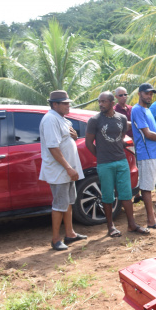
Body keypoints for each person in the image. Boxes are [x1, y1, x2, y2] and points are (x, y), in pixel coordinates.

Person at [85, 92, 149, 237]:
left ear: (111, 102)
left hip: (121, 161)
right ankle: (110, 227)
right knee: (107, 196)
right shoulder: (94, 120)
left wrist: (115, 152)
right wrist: (101, 155)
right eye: (99, 101)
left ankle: (131, 225)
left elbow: (120, 137)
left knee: (126, 194)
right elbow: (89, 142)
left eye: (104, 101)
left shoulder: (121, 118)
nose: (101, 104)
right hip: (105, 163)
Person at [39, 90, 87, 251]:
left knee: (68, 202)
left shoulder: (61, 119)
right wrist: (67, 167)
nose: (68, 106)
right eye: (64, 103)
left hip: (67, 169)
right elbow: (53, 147)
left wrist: (73, 137)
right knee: (59, 204)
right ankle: (55, 239)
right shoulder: (50, 120)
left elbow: (66, 139)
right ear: (55, 104)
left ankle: (70, 233)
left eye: (68, 103)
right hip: (60, 170)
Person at [131, 83, 156, 230]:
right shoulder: (137, 110)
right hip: (146, 153)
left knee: (150, 185)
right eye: (147, 93)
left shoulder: (146, 110)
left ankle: (152, 214)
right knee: (146, 188)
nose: (149, 96)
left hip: (153, 152)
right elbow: (147, 134)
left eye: (151, 94)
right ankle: (151, 220)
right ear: (140, 93)